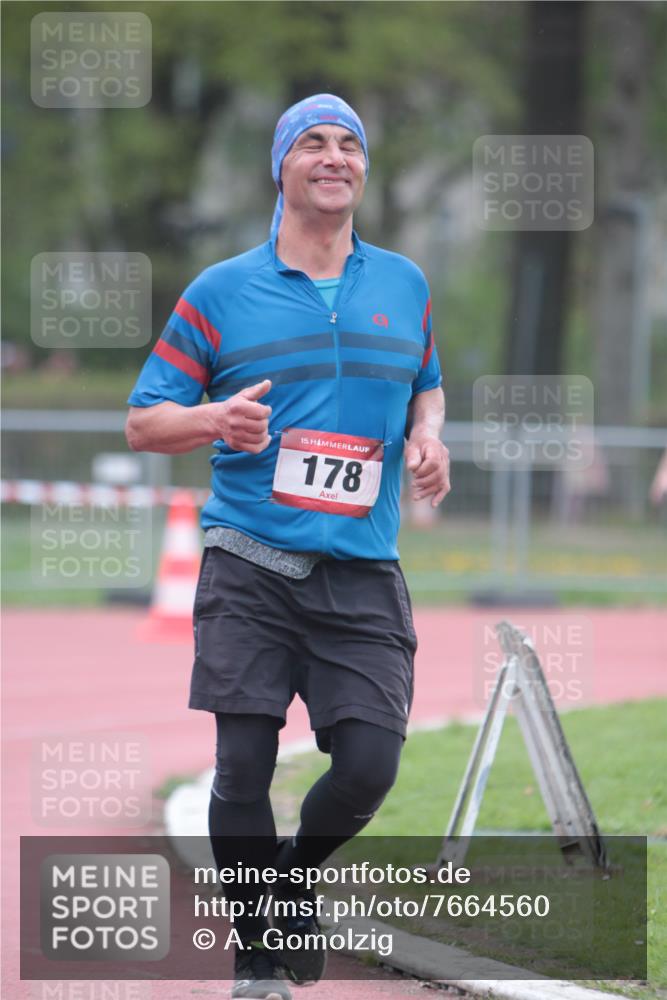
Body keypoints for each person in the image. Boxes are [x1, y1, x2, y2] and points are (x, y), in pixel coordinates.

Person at [126, 93, 450, 1000]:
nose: (334, 156)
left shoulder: (404, 285)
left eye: (349, 143)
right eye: (312, 142)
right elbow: (144, 423)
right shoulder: (221, 291)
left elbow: (426, 385)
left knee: (369, 766)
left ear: (362, 168)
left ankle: (291, 878)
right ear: (282, 167)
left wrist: (429, 436)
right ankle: (256, 958)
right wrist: (212, 419)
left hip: (363, 570)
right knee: (242, 766)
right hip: (250, 563)